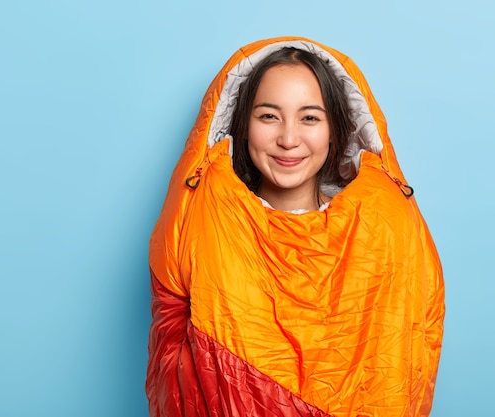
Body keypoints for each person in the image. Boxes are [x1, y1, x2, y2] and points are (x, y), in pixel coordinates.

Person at [146, 37, 445, 417]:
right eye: (269, 116)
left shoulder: (385, 227)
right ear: (243, 126)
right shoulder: (204, 220)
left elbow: (411, 345)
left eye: (310, 118)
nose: (288, 139)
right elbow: (172, 348)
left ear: (337, 129)